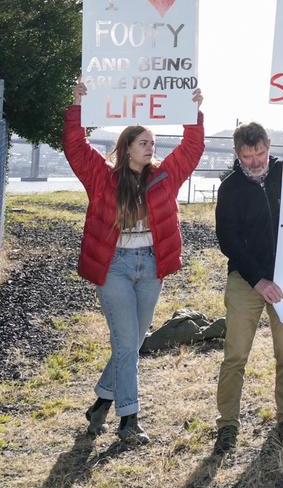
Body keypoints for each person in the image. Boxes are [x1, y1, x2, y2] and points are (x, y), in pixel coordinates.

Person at [64, 83, 205, 445]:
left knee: (132, 342)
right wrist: (78, 105)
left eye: (153, 142)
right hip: (115, 267)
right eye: (144, 142)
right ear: (127, 147)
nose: (151, 147)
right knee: (127, 344)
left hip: (150, 267)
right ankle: (129, 419)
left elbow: (191, 149)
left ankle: (100, 405)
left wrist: (194, 114)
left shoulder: (164, 176)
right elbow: (76, 147)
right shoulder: (102, 177)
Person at [213, 122, 283, 453]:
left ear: (269, 146)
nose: (255, 161)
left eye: (261, 153)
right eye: (247, 156)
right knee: (235, 355)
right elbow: (229, 241)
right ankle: (227, 425)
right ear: (237, 153)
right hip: (245, 279)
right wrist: (258, 280)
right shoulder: (230, 188)